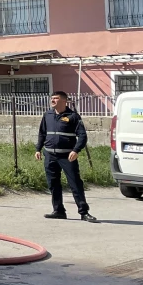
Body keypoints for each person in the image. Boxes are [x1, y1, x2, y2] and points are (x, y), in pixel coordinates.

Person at [35, 90, 98, 222]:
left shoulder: (73, 116)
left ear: (64, 100)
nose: (52, 100)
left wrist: (76, 150)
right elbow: (42, 133)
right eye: (52, 98)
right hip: (50, 155)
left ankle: (84, 212)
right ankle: (58, 210)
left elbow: (82, 136)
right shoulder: (47, 115)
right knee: (53, 183)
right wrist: (38, 149)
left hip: (67, 156)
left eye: (56, 98)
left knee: (75, 183)